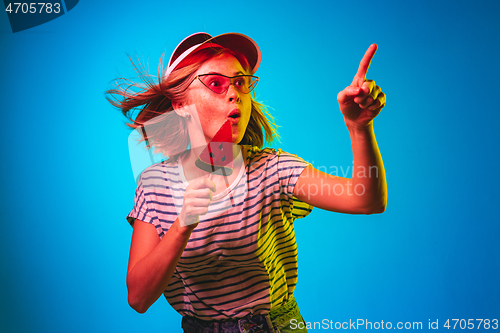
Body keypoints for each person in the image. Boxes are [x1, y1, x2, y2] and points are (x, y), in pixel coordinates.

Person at [106, 32, 387, 333]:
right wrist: (182, 224)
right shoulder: (154, 185)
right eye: (216, 84)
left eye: (241, 83)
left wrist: (360, 127)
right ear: (179, 103)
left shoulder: (273, 170)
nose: (234, 94)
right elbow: (138, 298)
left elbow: (366, 200)